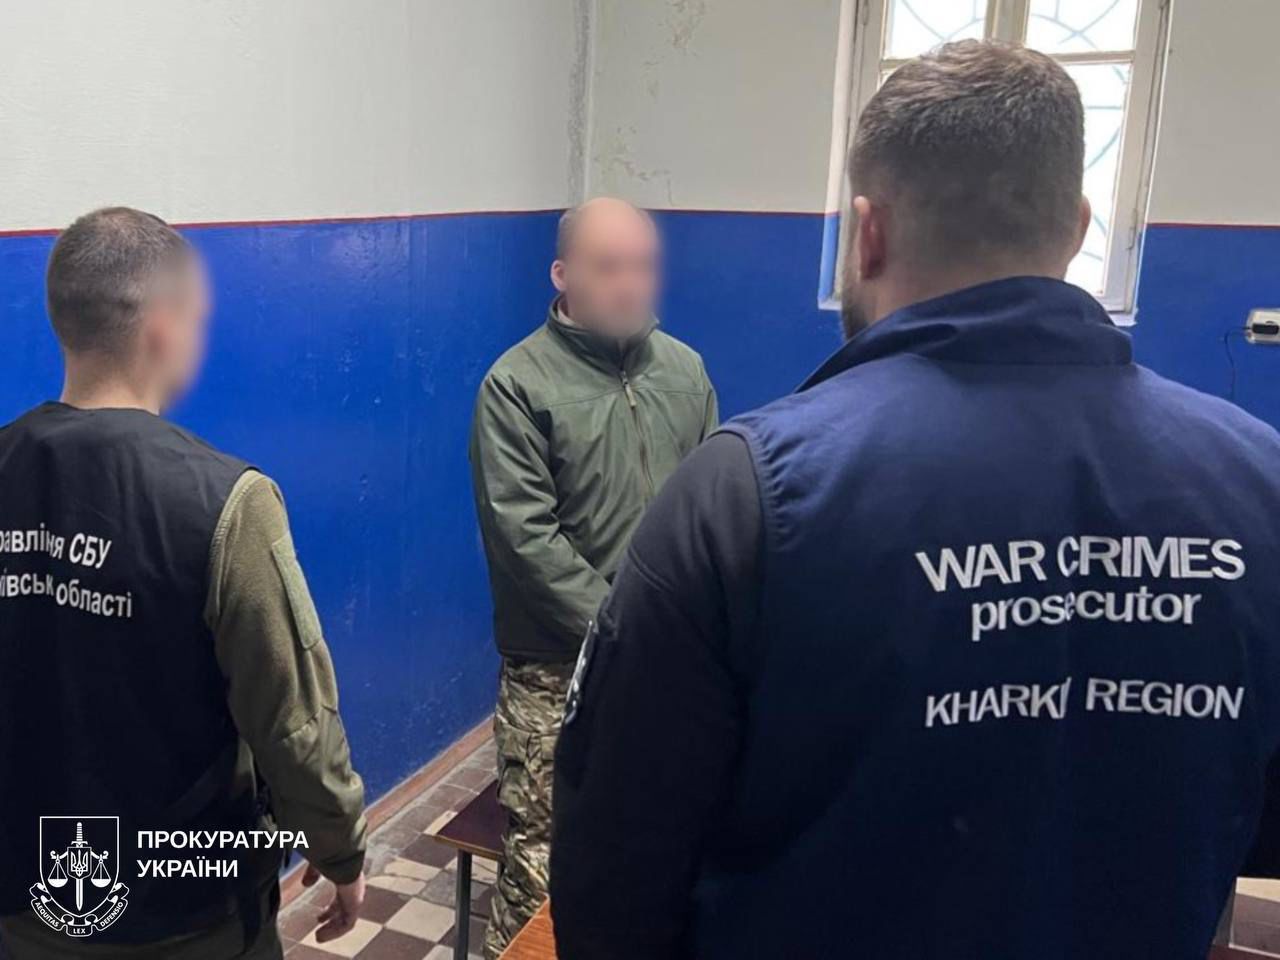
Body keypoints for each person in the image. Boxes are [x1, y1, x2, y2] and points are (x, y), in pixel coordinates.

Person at [551, 40, 1280, 960]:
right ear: (1078, 226)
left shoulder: (747, 497)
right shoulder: (1259, 484)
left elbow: (614, 881)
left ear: (869, 233)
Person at [0, 208, 367, 959]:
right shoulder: (229, 502)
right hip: (185, 913)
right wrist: (340, 850)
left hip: (21, 902)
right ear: (162, 328)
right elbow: (292, 725)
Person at [469, 196, 717, 957]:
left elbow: (713, 510)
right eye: (608, 266)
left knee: (657, 849)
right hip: (555, 669)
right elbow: (526, 539)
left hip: (667, 662)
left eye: (642, 265)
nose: (630, 284)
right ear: (562, 274)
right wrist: (625, 632)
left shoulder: (685, 371)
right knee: (542, 867)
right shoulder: (516, 385)